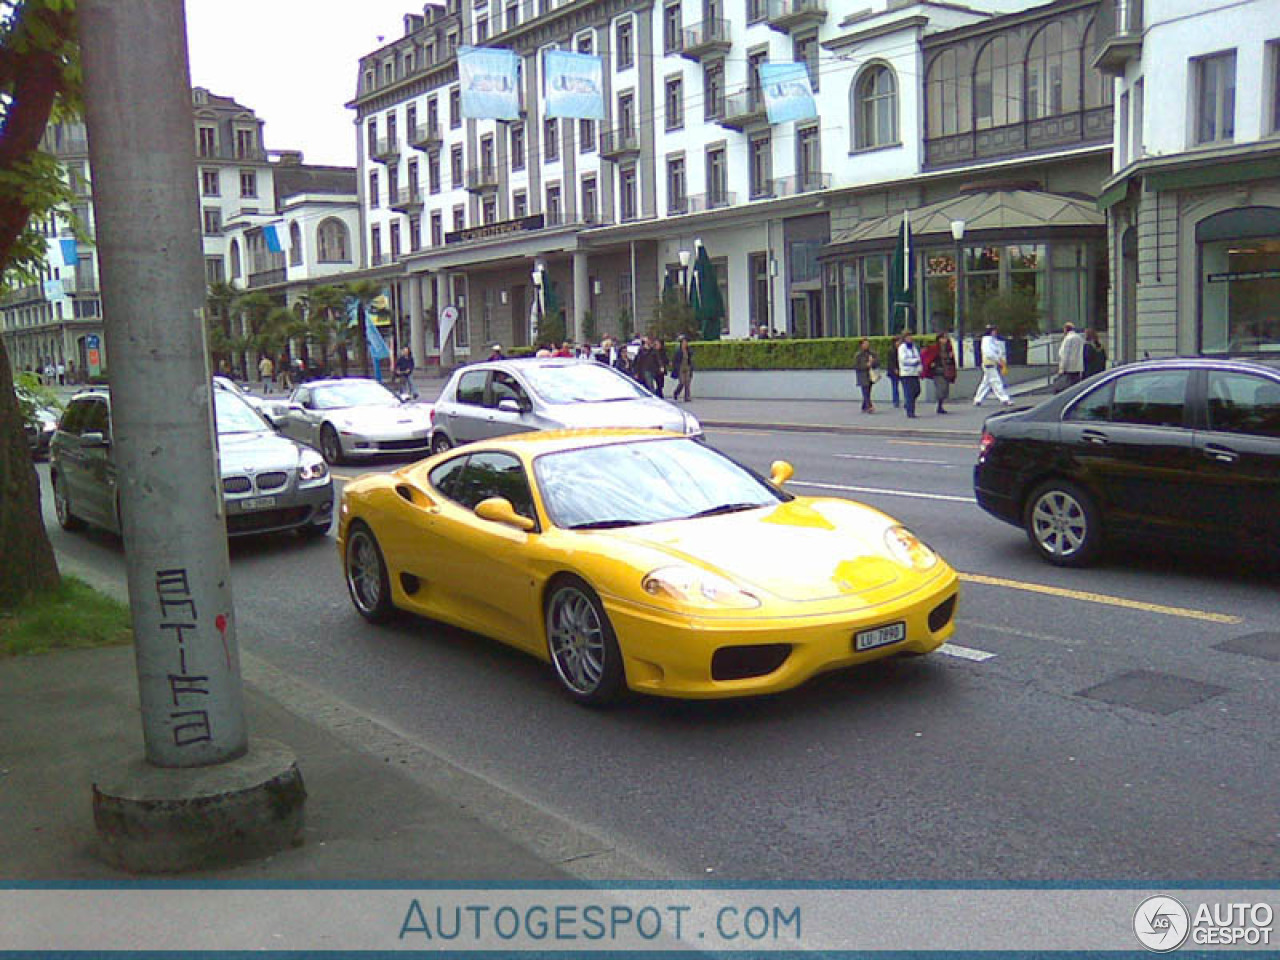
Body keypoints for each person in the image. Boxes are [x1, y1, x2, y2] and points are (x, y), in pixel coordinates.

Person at [972, 325, 1013, 406]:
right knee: (996, 381)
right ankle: (1004, 399)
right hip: (990, 363)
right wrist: (999, 360)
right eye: (994, 330)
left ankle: (978, 399)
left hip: (991, 363)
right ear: (991, 331)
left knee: (986, 383)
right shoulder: (987, 340)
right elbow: (989, 353)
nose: (995, 332)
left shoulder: (991, 340)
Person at [923, 331, 958, 414]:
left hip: (946, 370)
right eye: (943, 338)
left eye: (946, 338)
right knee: (941, 388)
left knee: (945, 389)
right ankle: (939, 405)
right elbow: (927, 355)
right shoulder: (935, 348)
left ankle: (940, 405)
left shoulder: (949, 348)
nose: (945, 340)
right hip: (937, 371)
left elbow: (951, 360)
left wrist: (950, 358)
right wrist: (931, 364)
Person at [897, 330, 923, 419]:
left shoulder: (913, 347)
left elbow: (918, 357)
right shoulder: (902, 348)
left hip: (914, 373)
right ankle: (910, 411)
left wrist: (919, 368)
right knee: (909, 392)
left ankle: (908, 403)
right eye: (908, 337)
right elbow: (903, 360)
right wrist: (914, 361)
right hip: (906, 373)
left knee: (917, 390)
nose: (910, 338)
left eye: (911, 336)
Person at [852, 339, 879, 414]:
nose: (867, 345)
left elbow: (877, 363)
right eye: (865, 344)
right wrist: (866, 365)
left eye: (867, 343)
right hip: (862, 375)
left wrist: (873, 362)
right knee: (865, 391)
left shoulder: (872, 353)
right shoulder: (858, 355)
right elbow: (856, 366)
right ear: (861, 345)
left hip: (870, 375)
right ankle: (869, 406)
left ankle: (864, 406)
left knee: (868, 391)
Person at [1057, 322, 1084, 389]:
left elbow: (1065, 354)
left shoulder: (1068, 339)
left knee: (1068, 387)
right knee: (1076, 387)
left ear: (1066, 329)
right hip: (1078, 367)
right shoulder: (1079, 338)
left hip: (1069, 367)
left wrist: (1062, 368)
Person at [671, 334, 694, 401]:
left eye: (686, 342)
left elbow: (690, 358)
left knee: (687, 382)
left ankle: (687, 397)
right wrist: (675, 367)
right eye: (684, 342)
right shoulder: (678, 351)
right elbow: (675, 360)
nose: (685, 343)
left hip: (687, 367)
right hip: (680, 367)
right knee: (682, 382)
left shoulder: (688, 350)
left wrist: (691, 366)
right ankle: (676, 392)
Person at [886, 335, 902, 408]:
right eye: (898, 342)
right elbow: (890, 362)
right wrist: (894, 369)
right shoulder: (891, 350)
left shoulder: (901, 349)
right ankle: (896, 401)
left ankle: (905, 401)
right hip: (893, 371)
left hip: (901, 370)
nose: (899, 343)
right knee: (895, 386)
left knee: (904, 386)